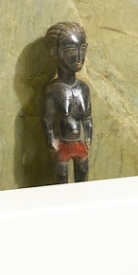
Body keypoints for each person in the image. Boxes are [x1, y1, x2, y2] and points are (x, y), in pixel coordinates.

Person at [43, 20, 92, 182]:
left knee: (83, 173)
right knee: (62, 179)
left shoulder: (83, 89)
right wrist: (52, 141)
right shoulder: (54, 89)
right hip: (62, 146)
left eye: (82, 49)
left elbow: (87, 117)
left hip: (79, 144)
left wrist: (89, 136)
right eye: (71, 50)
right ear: (54, 53)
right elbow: (47, 120)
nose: (79, 57)